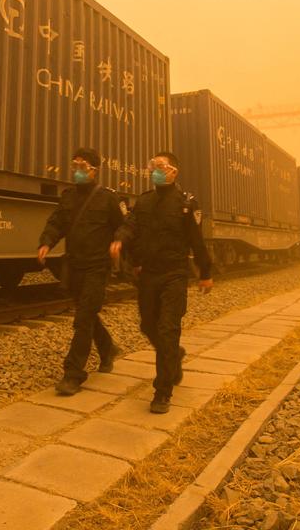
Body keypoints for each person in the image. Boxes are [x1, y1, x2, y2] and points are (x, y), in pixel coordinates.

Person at [111, 151, 213, 414]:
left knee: (168, 329)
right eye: (152, 166)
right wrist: (120, 239)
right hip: (149, 275)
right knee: (148, 325)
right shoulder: (144, 201)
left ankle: (162, 391)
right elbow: (130, 225)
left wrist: (205, 273)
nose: (155, 170)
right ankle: (173, 356)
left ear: (173, 172)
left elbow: (196, 240)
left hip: (174, 274)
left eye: (160, 166)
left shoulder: (186, 203)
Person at [37, 147, 127, 395]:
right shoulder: (68, 197)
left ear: (94, 171)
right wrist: (46, 242)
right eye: (74, 165)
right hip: (74, 266)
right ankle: (107, 348)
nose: (77, 171)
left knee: (83, 318)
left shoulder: (109, 198)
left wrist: (118, 240)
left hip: (97, 267)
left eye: (83, 166)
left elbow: (124, 226)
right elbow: (56, 223)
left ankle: (73, 374)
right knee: (86, 313)